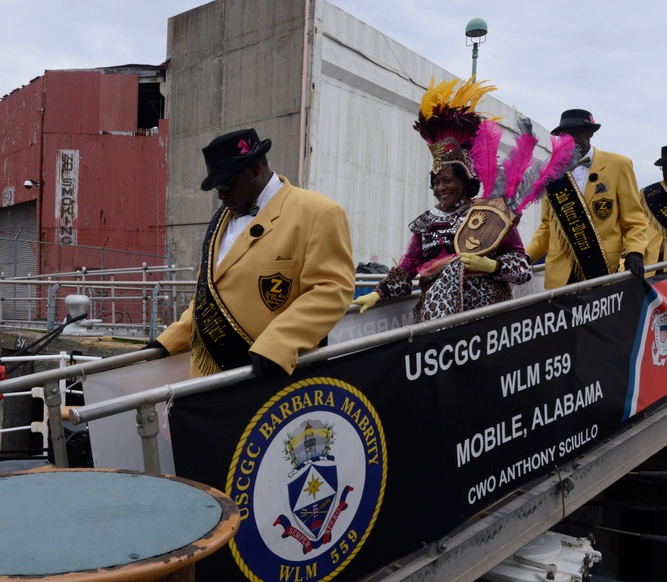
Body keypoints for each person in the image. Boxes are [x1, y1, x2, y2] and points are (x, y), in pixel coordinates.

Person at [354, 78, 576, 322]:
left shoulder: (490, 214)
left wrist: (492, 266)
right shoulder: (426, 223)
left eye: (448, 180)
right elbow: (407, 268)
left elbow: (522, 268)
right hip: (436, 320)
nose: (441, 188)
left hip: (487, 319)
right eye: (436, 182)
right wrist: (377, 294)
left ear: (465, 181)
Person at [149, 128, 354, 378]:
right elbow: (208, 295)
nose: (221, 195)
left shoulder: (318, 213)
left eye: (227, 184)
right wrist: (168, 341)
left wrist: (280, 343)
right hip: (211, 379)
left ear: (256, 168)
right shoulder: (219, 220)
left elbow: (332, 290)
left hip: (273, 375)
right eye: (217, 188)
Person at [526, 109, 650, 288]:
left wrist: (635, 252)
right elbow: (547, 226)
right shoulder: (552, 172)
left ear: (590, 133)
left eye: (575, 132)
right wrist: (526, 256)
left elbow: (634, 220)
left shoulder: (619, 165)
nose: (569, 139)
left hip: (601, 270)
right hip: (560, 277)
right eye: (564, 135)